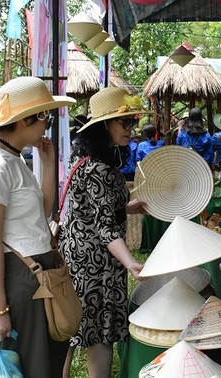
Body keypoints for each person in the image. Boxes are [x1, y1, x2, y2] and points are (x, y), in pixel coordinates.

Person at [0, 76, 76, 377]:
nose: (47, 126)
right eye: (47, 118)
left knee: (48, 361)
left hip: (38, 270)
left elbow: (39, 214)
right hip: (23, 274)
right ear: (28, 119)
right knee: (35, 365)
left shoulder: (13, 158)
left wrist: (48, 161)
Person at [59, 87, 146, 378]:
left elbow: (91, 209)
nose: (131, 129)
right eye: (125, 122)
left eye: (133, 121)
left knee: (73, 325)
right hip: (99, 265)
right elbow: (107, 229)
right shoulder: (103, 170)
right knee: (100, 332)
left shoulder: (80, 159)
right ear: (103, 124)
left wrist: (128, 208)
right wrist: (130, 262)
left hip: (74, 256)